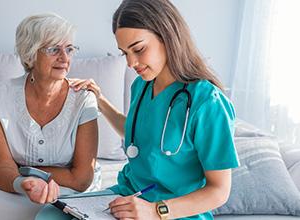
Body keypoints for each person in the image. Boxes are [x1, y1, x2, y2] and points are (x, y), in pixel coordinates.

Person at [70, 0, 239, 219]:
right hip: (128, 197)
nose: (131, 63)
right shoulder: (141, 85)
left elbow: (219, 191)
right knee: (50, 214)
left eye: (138, 49)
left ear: (167, 36)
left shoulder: (208, 102)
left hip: (172, 211)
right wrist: (100, 99)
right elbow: (138, 134)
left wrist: (155, 211)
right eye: (124, 53)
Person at [0, 13, 99, 220]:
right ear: (30, 54)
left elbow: (81, 178)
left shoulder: (83, 100)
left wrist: (21, 170)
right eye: (53, 49)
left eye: (69, 49)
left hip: (69, 191)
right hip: (17, 188)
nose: (65, 58)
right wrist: (23, 182)